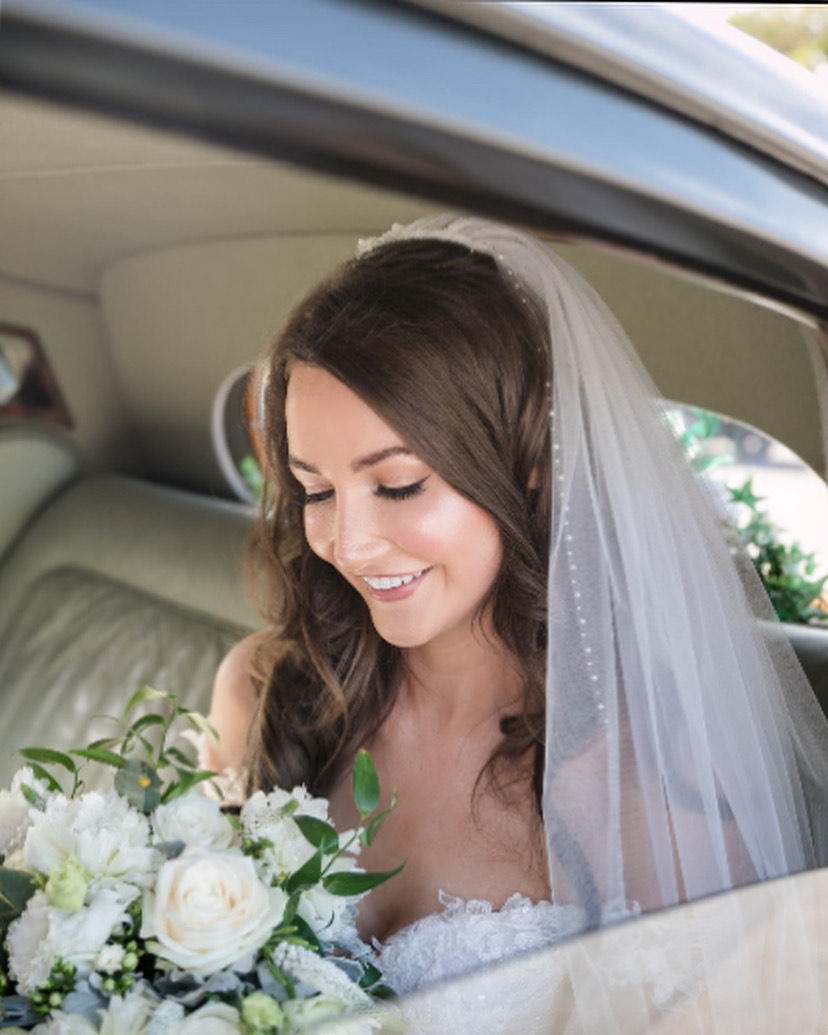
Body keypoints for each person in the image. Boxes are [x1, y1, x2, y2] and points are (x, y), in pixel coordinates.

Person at [208, 214, 828, 1015]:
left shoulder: (648, 791)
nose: (348, 543)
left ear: (527, 465)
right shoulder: (262, 690)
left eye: (398, 484)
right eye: (316, 490)